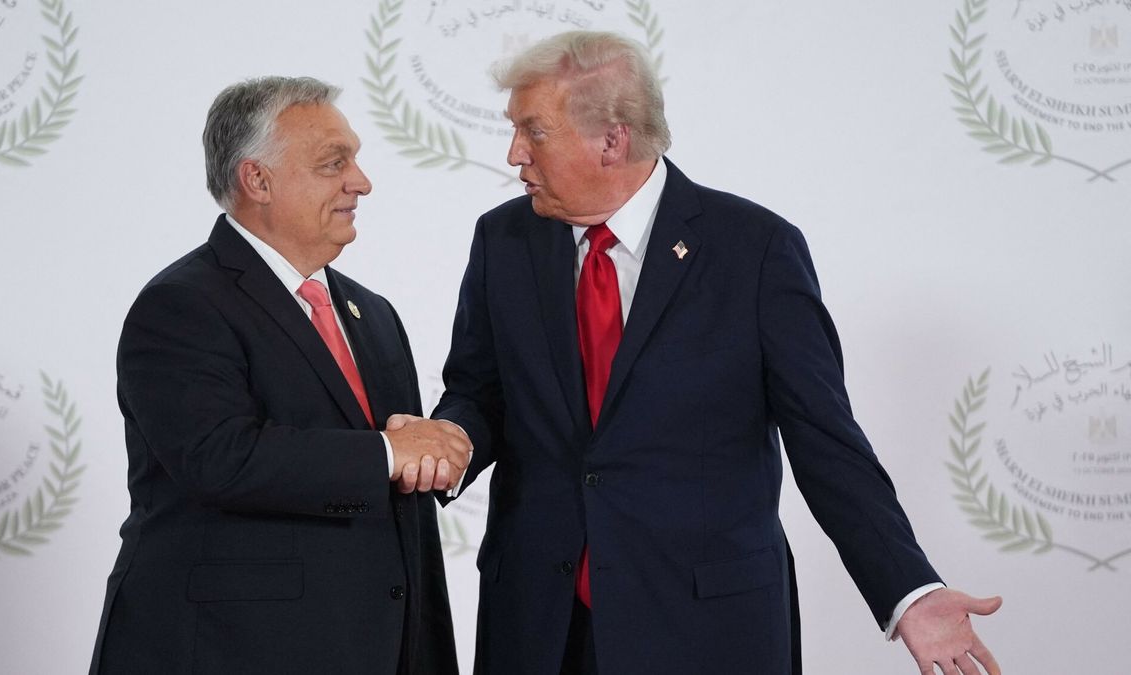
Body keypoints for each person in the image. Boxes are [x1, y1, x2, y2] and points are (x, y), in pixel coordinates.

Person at [399, 31, 1002, 674]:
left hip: (706, 627)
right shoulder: (503, 240)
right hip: (541, 623)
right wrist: (451, 437)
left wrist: (907, 592)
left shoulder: (755, 250)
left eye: (533, 131)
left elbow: (827, 442)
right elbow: (480, 388)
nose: (514, 154)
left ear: (613, 139)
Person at [89, 76, 468, 675]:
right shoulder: (182, 304)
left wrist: (437, 449)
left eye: (356, 160)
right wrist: (387, 453)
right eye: (332, 163)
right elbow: (220, 457)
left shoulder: (371, 313)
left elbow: (394, 483)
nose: (361, 182)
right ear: (257, 180)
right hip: (230, 650)